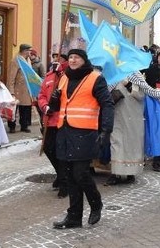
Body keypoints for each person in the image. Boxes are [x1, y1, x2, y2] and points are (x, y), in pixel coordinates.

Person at [48, 49, 114, 229]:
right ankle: (74, 217)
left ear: (84, 60)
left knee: (80, 173)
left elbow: (107, 104)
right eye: (70, 57)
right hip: (64, 131)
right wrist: (53, 101)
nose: (72, 60)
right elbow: (57, 106)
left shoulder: (95, 78)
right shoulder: (64, 77)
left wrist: (106, 130)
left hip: (85, 133)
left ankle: (96, 202)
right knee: (69, 176)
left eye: (76, 57)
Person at [106, 72, 160, 185]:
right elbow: (104, 92)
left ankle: (131, 173)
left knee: (133, 145)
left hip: (134, 116)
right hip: (118, 115)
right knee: (117, 143)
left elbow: (146, 92)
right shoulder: (114, 73)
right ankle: (115, 173)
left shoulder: (136, 74)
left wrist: (129, 84)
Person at [37, 54, 69, 198]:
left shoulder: (67, 76)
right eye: (55, 57)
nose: (57, 60)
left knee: (61, 152)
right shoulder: (49, 76)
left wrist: (61, 71)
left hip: (63, 121)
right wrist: (45, 107)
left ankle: (65, 181)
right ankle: (61, 174)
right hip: (49, 120)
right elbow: (42, 95)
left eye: (60, 58)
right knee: (49, 149)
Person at [7, 43, 34, 133]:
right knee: (14, 109)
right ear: (24, 51)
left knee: (25, 108)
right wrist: (11, 91)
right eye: (29, 50)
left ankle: (24, 125)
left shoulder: (28, 60)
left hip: (26, 89)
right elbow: (11, 77)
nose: (30, 52)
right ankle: (12, 126)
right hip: (17, 89)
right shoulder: (16, 60)